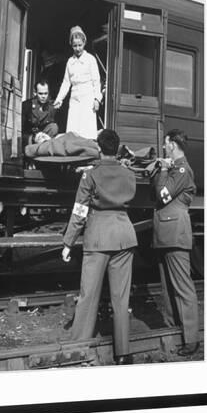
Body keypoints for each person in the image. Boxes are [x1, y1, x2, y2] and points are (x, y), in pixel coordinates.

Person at [61, 129, 137, 364]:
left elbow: (80, 211)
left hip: (98, 238)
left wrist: (68, 242)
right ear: (117, 148)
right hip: (125, 235)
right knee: (121, 298)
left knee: (89, 294)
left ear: (99, 148)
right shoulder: (129, 174)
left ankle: (79, 347)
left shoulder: (90, 176)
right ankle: (123, 353)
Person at [151, 129, 200, 356]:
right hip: (165, 233)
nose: (163, 147)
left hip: (174, 233)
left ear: (171, 144)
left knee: (182, 287)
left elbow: (163, 195)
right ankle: (172, 330)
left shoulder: (181, 169)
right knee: (168, 288)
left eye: (165, 143)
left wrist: (162, 169)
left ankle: (191, 339)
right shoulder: (176, 168)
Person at [53, 26, 102, 139]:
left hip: (88, 97)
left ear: (84, 43)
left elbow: (96, 81)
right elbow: (66, 83)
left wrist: (97, 99)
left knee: (86, 129)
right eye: (75, 46)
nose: (78, 48)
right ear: (71, 45)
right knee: (74, 128)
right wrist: (59, 99)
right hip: (75, 98)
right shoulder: (70, 62)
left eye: (80, 45)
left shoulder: (90, 59)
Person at [22, 80, 59, 146]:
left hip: (45, 135)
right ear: (35, 93)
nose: (43, 96)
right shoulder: (27, 105)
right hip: (31, 137)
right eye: (40, 93)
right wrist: (33, 138)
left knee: (53, 127)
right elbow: (22, 128)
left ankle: (44, 149)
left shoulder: (52, 107)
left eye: (45, 93)